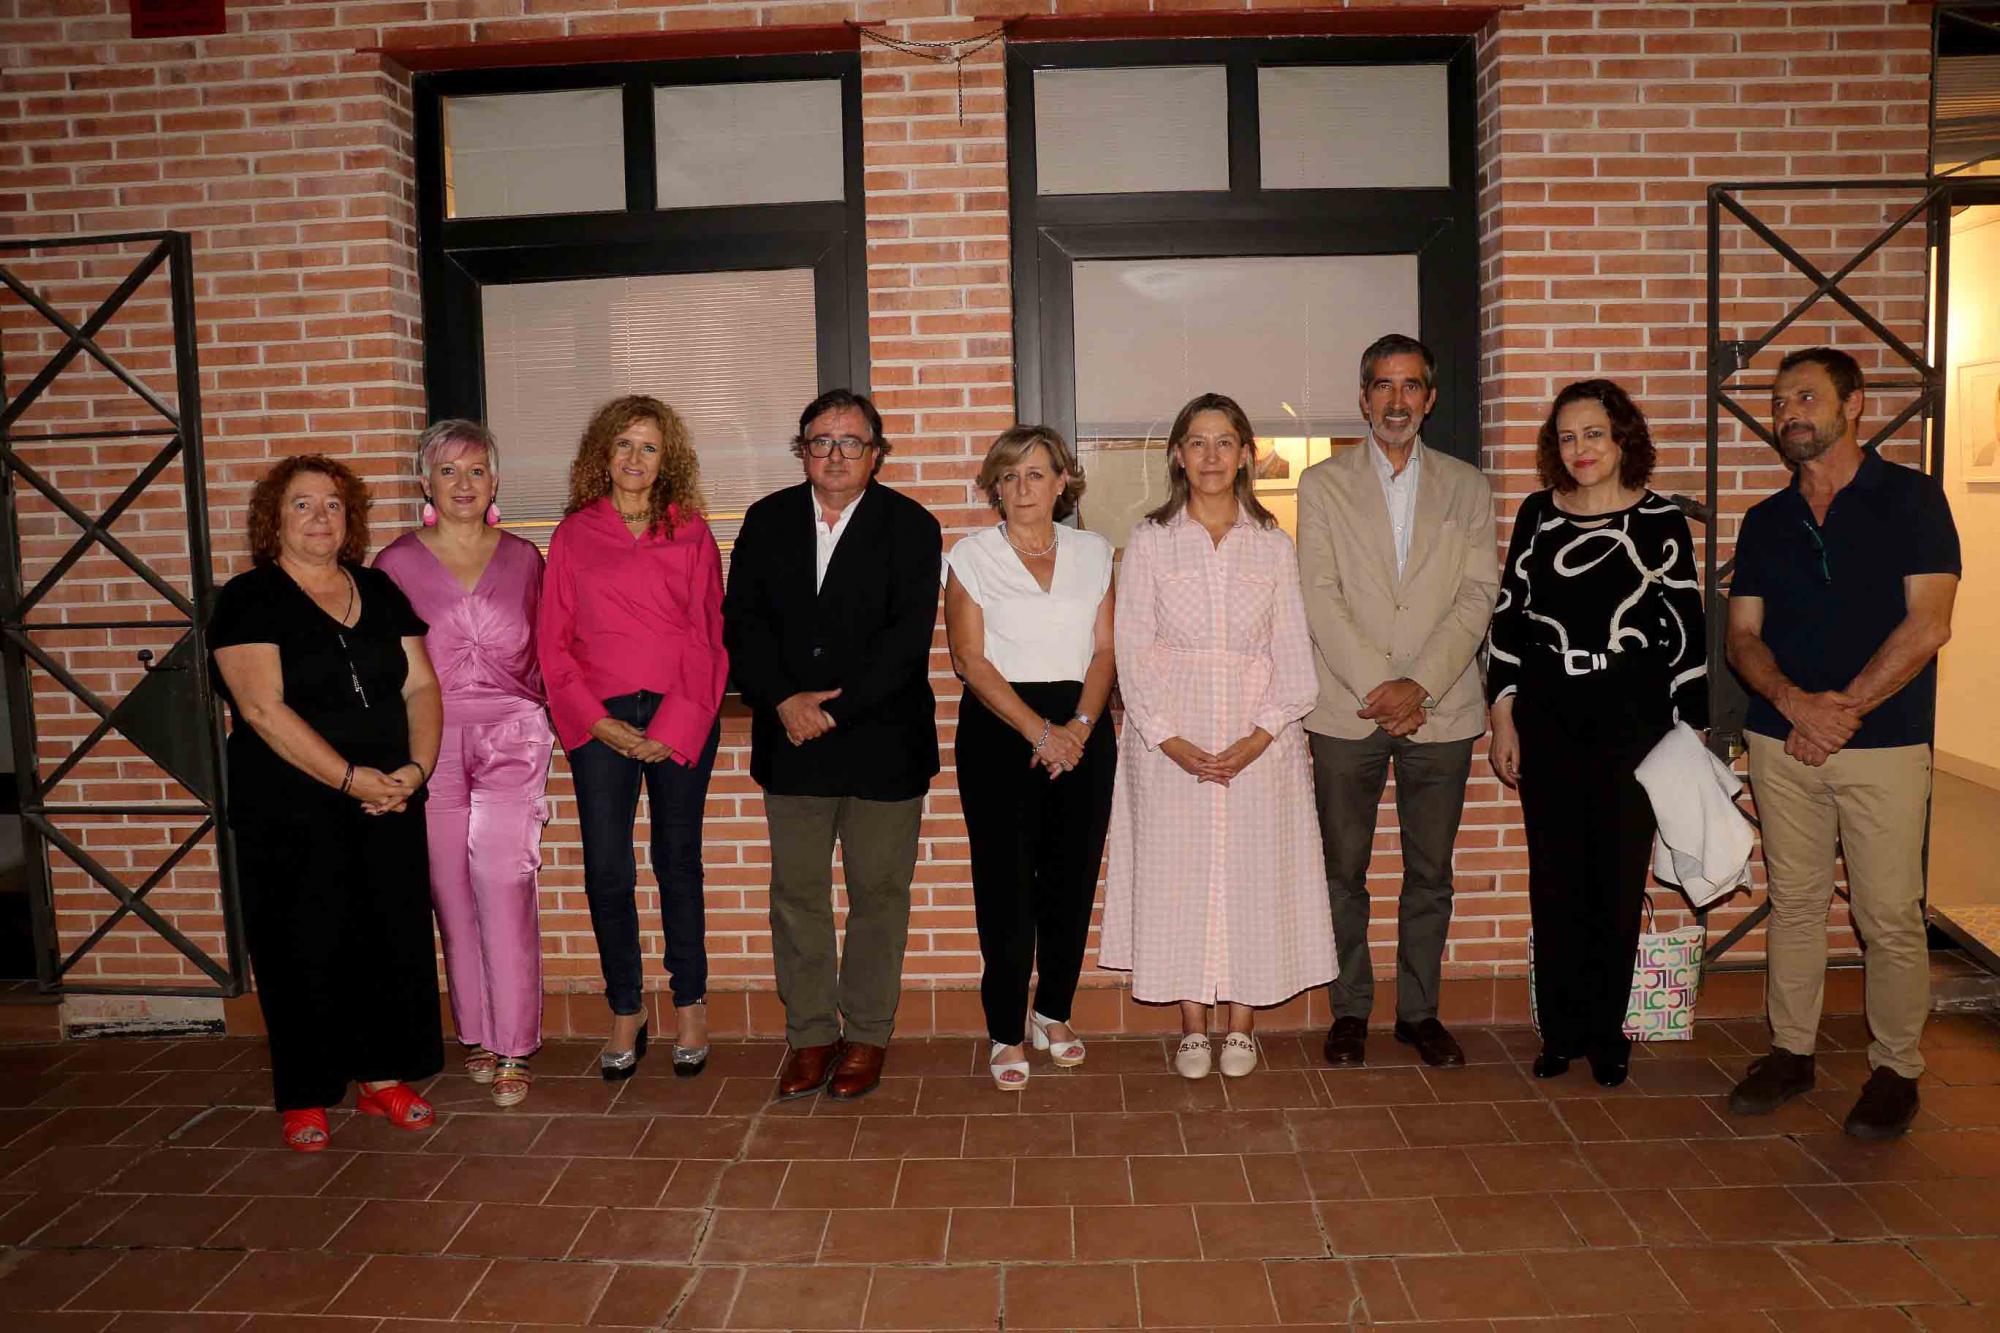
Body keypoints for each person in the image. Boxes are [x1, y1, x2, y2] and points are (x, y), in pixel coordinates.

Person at [1724, 347, 1959, 1140]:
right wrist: (1795, 704)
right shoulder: (1766, 519)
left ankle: (1895, 1069)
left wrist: (1842, 712)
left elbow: (1929, 624)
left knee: (1887, 913)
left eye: (1805, 397)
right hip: (1781, 741)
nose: (1788, 413)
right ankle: (1791, 1053)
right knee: (1794, 903)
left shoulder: (1912, 499)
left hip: (1884, 744)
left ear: (1852, 403)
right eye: (1779, 401)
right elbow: (1742, 637)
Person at [208, 455, 444, 1151]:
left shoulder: (379, 588)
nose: (321, 517)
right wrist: (349, 778)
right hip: (289, 804)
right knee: (299, 942)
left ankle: (379, 1077)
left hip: (387, 798)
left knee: (384, 934)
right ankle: (305, 1092)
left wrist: (414, 770)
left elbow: (421, 687)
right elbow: (261, 708)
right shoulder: (249, 598)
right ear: (273, 520)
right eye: (303, 504)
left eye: (334, 504)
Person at [1101, 393, 1334, 1080]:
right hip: (1168, 741)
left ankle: (1242, 1024)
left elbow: (1293, 654)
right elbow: (1131, 649)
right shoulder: (1151, 540)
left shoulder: (1273, 545)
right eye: (1197, 442)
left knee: (1253, 875)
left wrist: (1258, 739)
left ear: (1245, 455)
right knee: (1178, 876)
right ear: (1178, 455)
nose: (1211, 456)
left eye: (1224, 442)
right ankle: (1192, 1025)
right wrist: (1169, 739)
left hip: (1260, 741)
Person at [1485, 380, 1706, 1088]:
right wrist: (1502, 715)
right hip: (1547, 717)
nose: (1581, 449)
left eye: (1594, 434)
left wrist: (1692, 730)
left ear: (1622, 439)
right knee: (1554, 879)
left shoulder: (1662, 520)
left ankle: (1608, 1032)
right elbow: (1510, 617)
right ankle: (1561, 1031)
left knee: (1616, 879)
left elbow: (1687, 629)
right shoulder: (1537, 515)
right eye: (1567, 436)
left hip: (1632, 722)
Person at [723, 389, 942, 1102]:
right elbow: (740, 625)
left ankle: (868, 1034)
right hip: (790, 740)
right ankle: (812, 1033)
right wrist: (784, 701)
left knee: (879, 895)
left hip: (884, 744)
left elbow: (906, 643)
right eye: (822, 441)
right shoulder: (766, 520)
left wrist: (831, 712)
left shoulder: (912, 525)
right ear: (803, 451)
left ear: (876, 453)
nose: (837, 454)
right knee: (797, 895)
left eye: (852, 442)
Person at [1296, 334, 1497, 1071]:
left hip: (1442, 709)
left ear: (1430, 398)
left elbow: (1478, 593)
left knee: (1430, 874)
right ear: (1363, 397)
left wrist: (1423, 686)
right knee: (1342, 871)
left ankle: (1419, 1013)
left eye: (1411, 385)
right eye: (1383, 385)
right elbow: (1318, 594)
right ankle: (1350, 1010)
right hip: (1346, 709)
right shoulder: (1321, 485)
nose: (1396, 400)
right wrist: (1381, 689)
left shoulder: (1468, 487)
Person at [537, 396, 727, 1081]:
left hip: (680, 711)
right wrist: (596, 722)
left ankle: (690, 1002)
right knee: (607, 868)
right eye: (623, 444)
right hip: (598, 719)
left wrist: (672, 728)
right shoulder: (574, 534)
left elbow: (709, 636)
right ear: (603, 453)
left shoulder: (691, 531)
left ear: (666, 457)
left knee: (678, 860)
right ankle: (626, 1007)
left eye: (649, 446)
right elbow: (552, 642)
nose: (635, 458)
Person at [376, 420, 550, 1107]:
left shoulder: (525, 558)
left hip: (514, 732)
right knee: (449, 887)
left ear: (495, 480)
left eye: (477, 470)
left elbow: (551, 649)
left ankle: (514, 1045)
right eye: (447, 471)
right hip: (430, 739)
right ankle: (476, 1031)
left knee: (503, 877)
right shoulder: (394, 564)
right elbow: (384, 667)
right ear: (425, 482)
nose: (463, 484)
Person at [944, 426, 1116, 1090]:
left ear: (1062, 482)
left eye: (1036, 474)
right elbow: (969, 659)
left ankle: (1053, 1012)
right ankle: (1006, 1029)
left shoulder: (1094, 551)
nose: (1022, 488)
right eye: (1010, 476)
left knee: (1071, 880)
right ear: (995, 487)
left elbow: (1105, 650)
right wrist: (1040, 734)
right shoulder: (971, 556)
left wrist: (1078, 727)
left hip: (1083, 726)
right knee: (1006, 886)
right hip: (1000, 730)